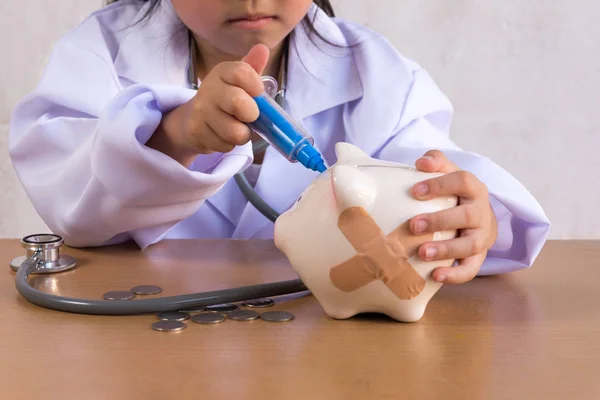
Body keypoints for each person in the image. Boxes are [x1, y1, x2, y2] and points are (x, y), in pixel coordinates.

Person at [8, 0, 550, 284]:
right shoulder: (100, 53)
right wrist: (172, 136)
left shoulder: (375, 72)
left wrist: (462, 213)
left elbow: (428, 172)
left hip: (325, 349)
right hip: (146, 344)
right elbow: (64, 187)